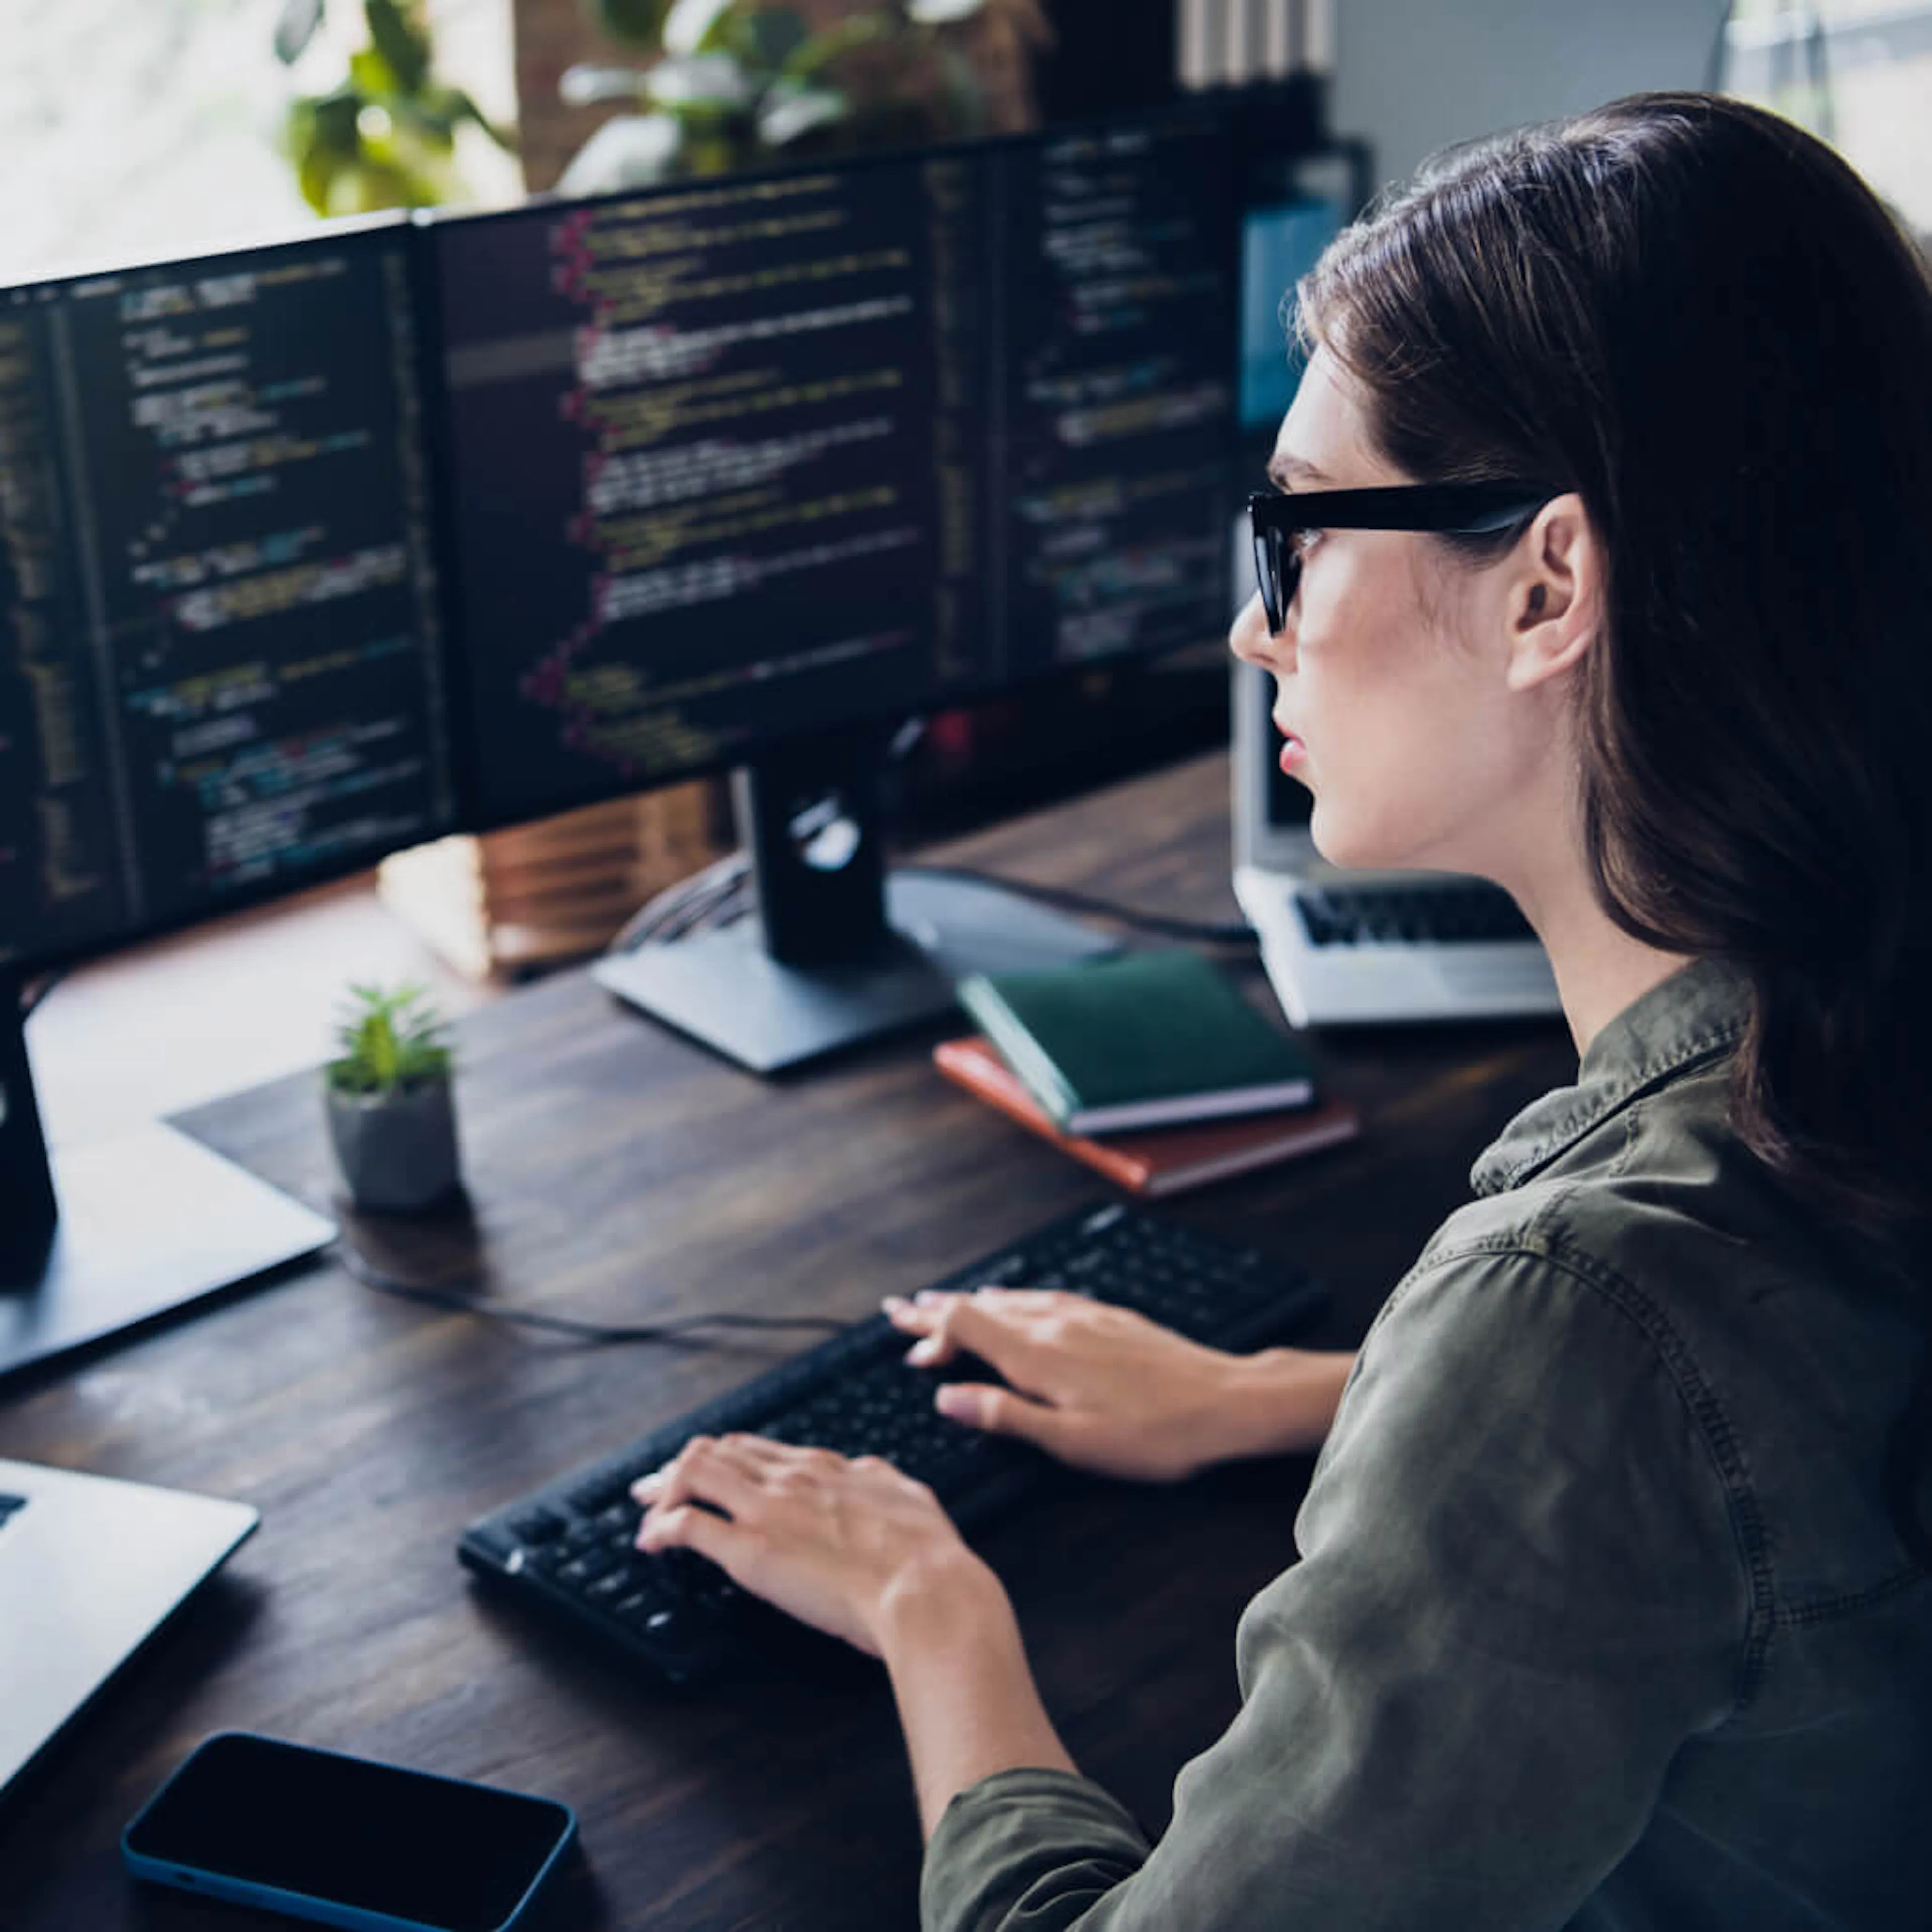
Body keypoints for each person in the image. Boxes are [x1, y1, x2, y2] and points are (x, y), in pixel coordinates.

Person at [631, 92, 1932, 1929]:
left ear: (1550, 584)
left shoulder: (1581, 1318)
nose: (1261, 625)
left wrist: (931, 1616)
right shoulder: (1854, 1037)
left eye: (1304, 530)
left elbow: (1625, 1397)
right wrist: (1290, 1397)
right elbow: (1750, 1472)